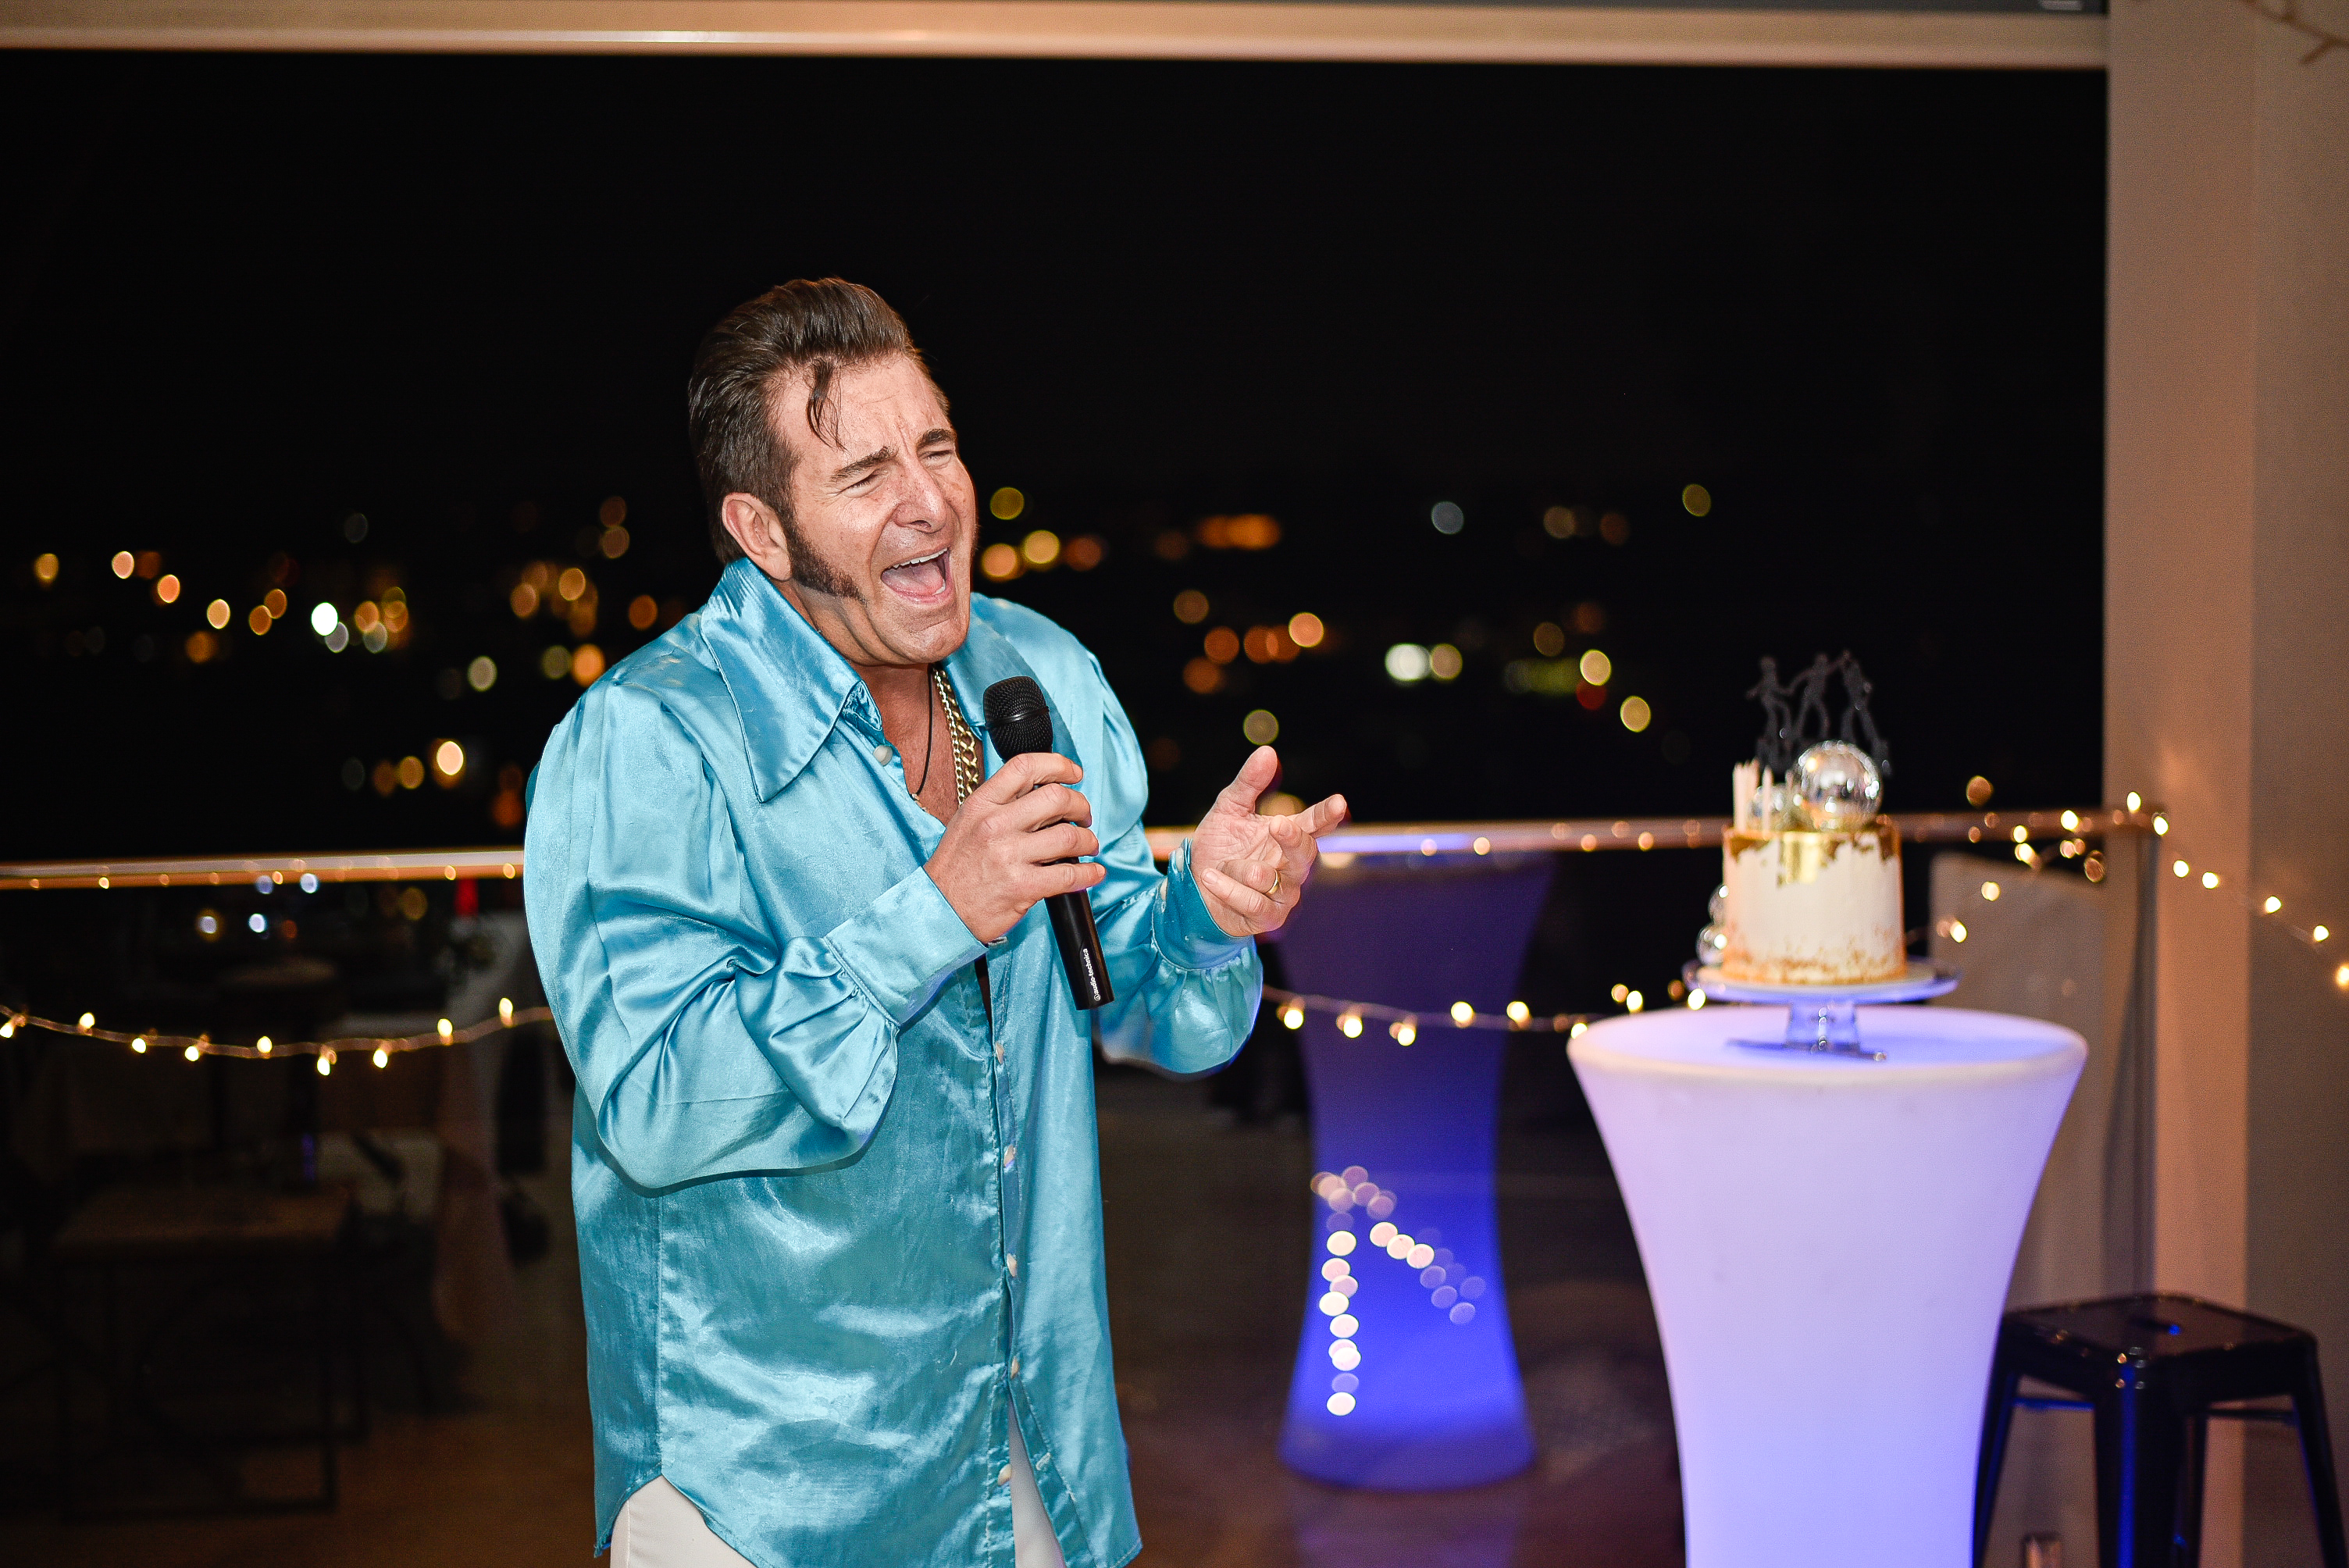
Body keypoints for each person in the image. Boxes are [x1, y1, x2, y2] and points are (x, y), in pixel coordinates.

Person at [525, 279, 1347, 1568]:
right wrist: (935, 916)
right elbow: (655, 1103)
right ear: (761, 529)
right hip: (762, 1496)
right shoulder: (649, 738)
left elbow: (1144, 1009)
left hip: (1030, 1450)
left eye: (939, 447)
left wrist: (1203, 911)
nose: (930, 503)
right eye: (865, 474)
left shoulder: (1040, 674)